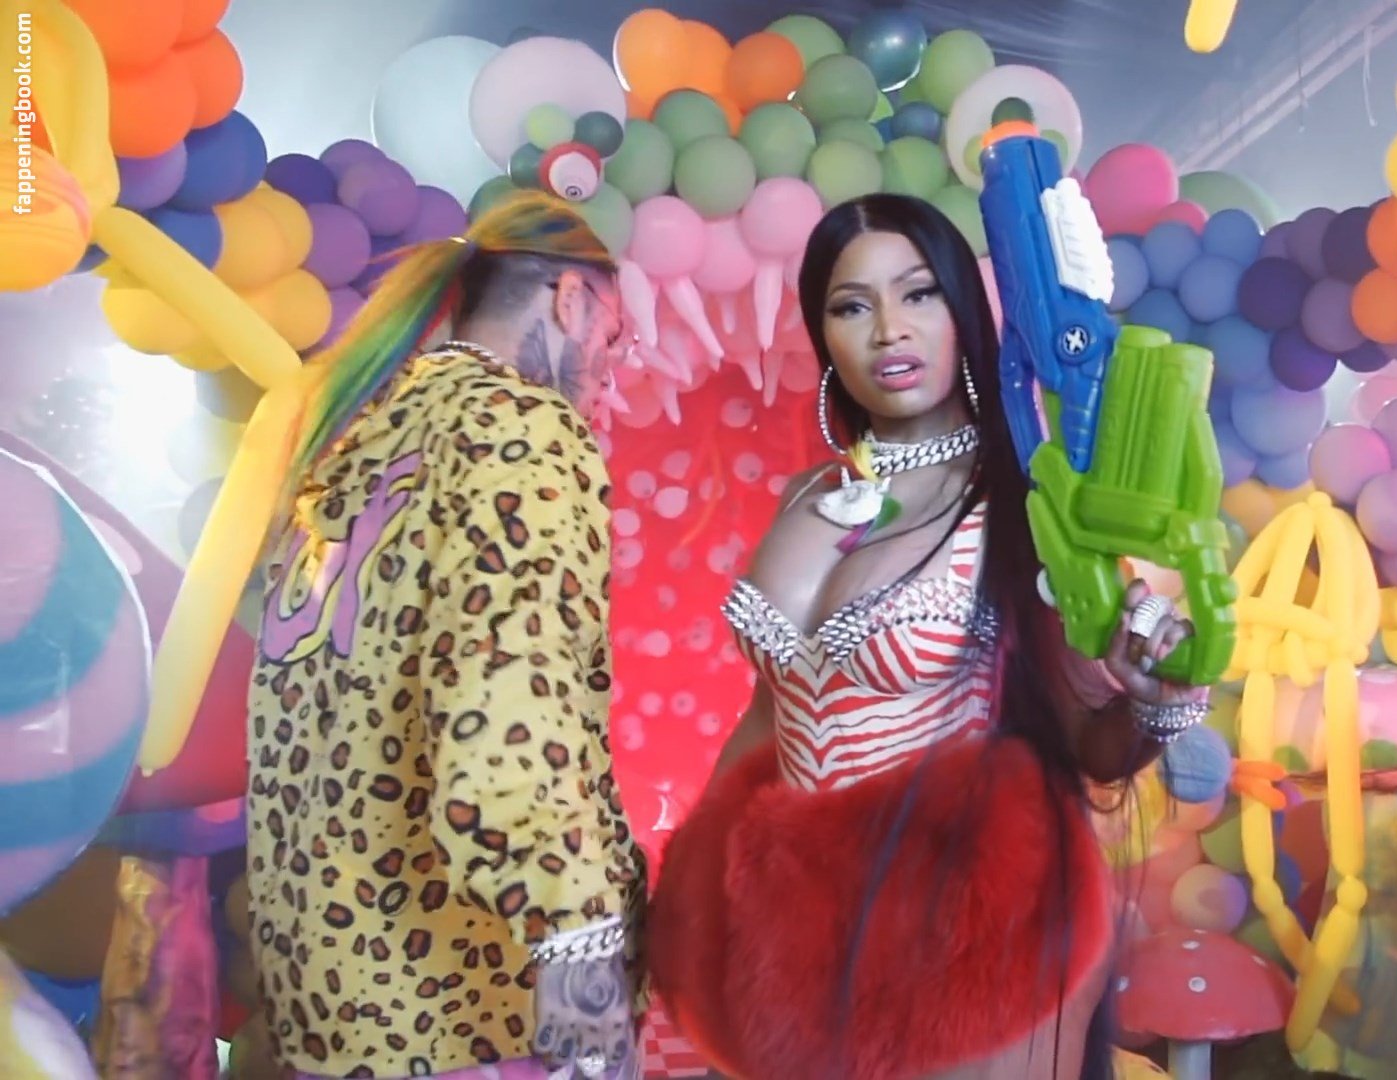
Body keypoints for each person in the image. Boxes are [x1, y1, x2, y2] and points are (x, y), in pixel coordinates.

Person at [646, 193, 1211, 1079]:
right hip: (798, 935)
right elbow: (770, 713)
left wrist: (1158, 703)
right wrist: (687, 898)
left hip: (967, 929)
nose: (888, 331)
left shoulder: (1028, 503)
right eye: (852, 305)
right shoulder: (808, 497)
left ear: (962, 312)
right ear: (823, 335)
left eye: (918, 294)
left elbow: (1091, 748)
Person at [246, 192, 646, 1080]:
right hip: (462, 1010)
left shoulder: (351, 436)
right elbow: (508, 713)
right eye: (613, 339)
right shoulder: (520, 429)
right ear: (571, 299)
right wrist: (581, 956)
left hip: (326, 1003)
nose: (607, 375)